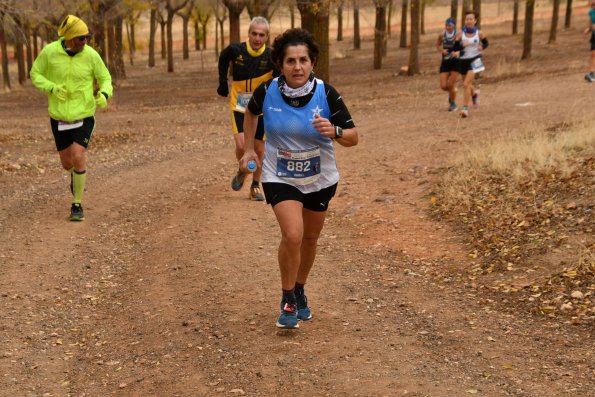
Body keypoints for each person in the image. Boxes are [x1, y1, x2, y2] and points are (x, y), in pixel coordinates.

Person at [240, 28, 358, 329]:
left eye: (303, 60)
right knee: (293, 234)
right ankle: (288, 297)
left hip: (320, 177)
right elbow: (250, 114)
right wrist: (250, 148)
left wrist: (335, 131)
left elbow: (354, 137)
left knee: (310, 238)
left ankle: (301, 288)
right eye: (290, 61)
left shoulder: (326, 93)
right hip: (280, 175)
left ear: (312, 63)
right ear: (280, 64)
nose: (297, 67)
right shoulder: (267, 92)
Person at [30, 15, 113, 221]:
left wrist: (104, 94)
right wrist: (51, 87)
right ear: (69, 38)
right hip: (58, 117)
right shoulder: (50, 52)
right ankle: (76, 177)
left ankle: (77, 204)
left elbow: (105, 78)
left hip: (84, 114)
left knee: (78, 155)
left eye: (87, 37)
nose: (85, 42)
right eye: (81, 38)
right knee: (67, 164)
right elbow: (35, 73)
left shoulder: (91, 55)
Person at [217, 16, 277, 201]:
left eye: (262, 35)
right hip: (240, 105)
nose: (257, 38)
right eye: (254, 33)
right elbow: (223, 58)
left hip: (262, 107)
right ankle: (243, 169)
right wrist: (222, 82)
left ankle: (255, 185)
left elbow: (280, 76)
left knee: (259, 149)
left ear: (267, 37)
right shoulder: (236, 50)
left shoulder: (271, 56)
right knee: (242, 145)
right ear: (248, 33)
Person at [453, 11, 488, 118]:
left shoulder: (479, 33)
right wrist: (462, 46)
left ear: (475, 21)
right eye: (467, 19)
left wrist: (482, 47)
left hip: (476, 59)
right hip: (463, 60)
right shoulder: (460, 33)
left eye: (470, 19)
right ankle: (475, 95)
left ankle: (465, 109)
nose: (468, 21)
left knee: (465, 84)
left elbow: (486, 43)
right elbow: (454, 48)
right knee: (467, 84)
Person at [437, 18, 460, 112]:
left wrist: (458, 52)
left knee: (450, 84)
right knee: (443, 86)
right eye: (447, 25)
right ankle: (454, 91)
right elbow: (438, 45)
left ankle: (453, 104)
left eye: (450, 25)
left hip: (456, 61)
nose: (448, 27)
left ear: (454, 25)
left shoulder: (458, 34)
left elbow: (464, 46)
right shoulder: (442, 34)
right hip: (445, 61)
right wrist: (442, 50)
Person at [584, 0, 595, 82]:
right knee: (592, 54)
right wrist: (588, 29)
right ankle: (592, 74)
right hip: (594, 35)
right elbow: (591, 23)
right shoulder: (591, 11)